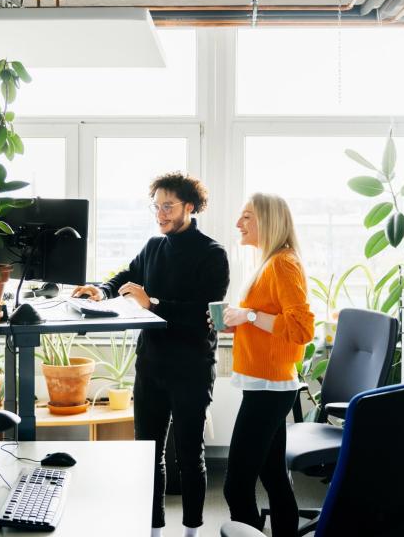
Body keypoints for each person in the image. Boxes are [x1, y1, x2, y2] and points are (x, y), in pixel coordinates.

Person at [73, 172, 229, 537]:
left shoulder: (212, 254)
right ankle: (154, 529)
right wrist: (101, 290)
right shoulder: (153, 247)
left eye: (168, 206)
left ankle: (192, 530)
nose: (160, 213)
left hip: (191, 366)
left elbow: (203, 315)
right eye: (156, 206)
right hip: (152, 364)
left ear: (190, 207)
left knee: (190, 456)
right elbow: (127, 276)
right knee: (148, 453)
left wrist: (152, 302)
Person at [216, 193, 314, 537]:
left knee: (236, 485)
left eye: (246, 217)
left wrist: (251, 315)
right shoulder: (268, 262)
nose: (238, 224)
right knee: (273, 476)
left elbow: (301, 329)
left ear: (267, 221)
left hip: (270, 388)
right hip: (266, 384)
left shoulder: (283, 264)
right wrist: (240, 321)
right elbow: (269, 320)